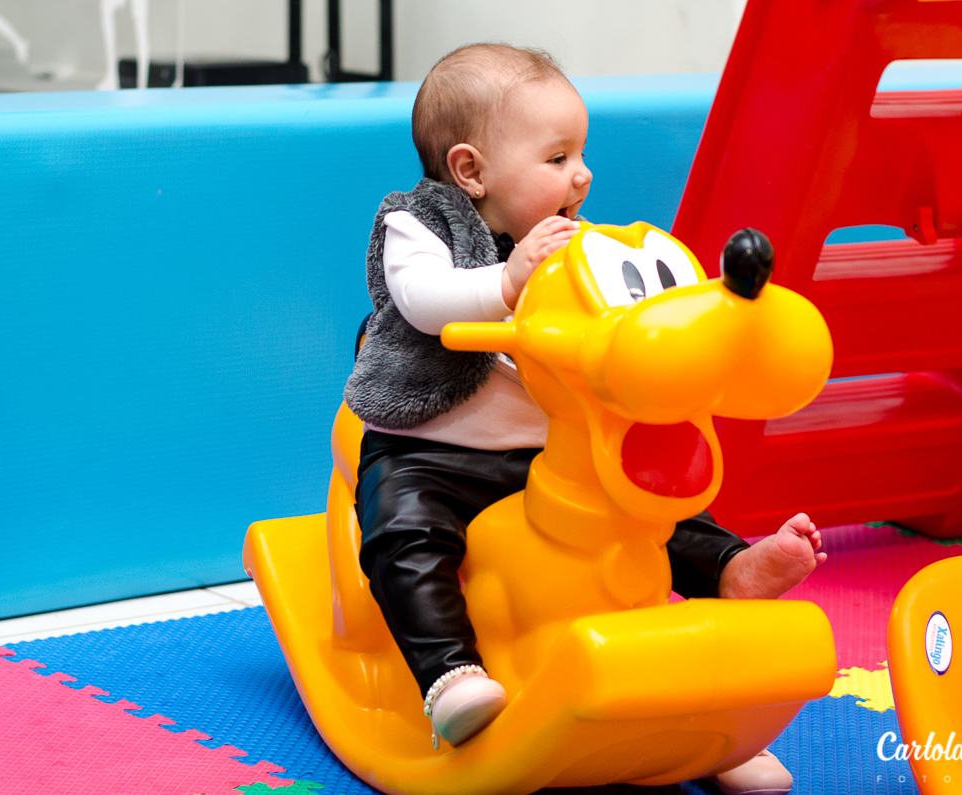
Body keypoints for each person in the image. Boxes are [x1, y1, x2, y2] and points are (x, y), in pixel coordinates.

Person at [343, 43, 825, 794]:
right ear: (470, 170)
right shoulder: (417, 224)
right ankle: (449, 674)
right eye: (558, 156)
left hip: (547, 449)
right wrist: (506, 280)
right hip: (431, 448)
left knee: (645, 501)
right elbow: (423, 300)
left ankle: (730, 580)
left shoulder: (578, 244)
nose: (583, 174)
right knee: (404, 536)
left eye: (582, 153)